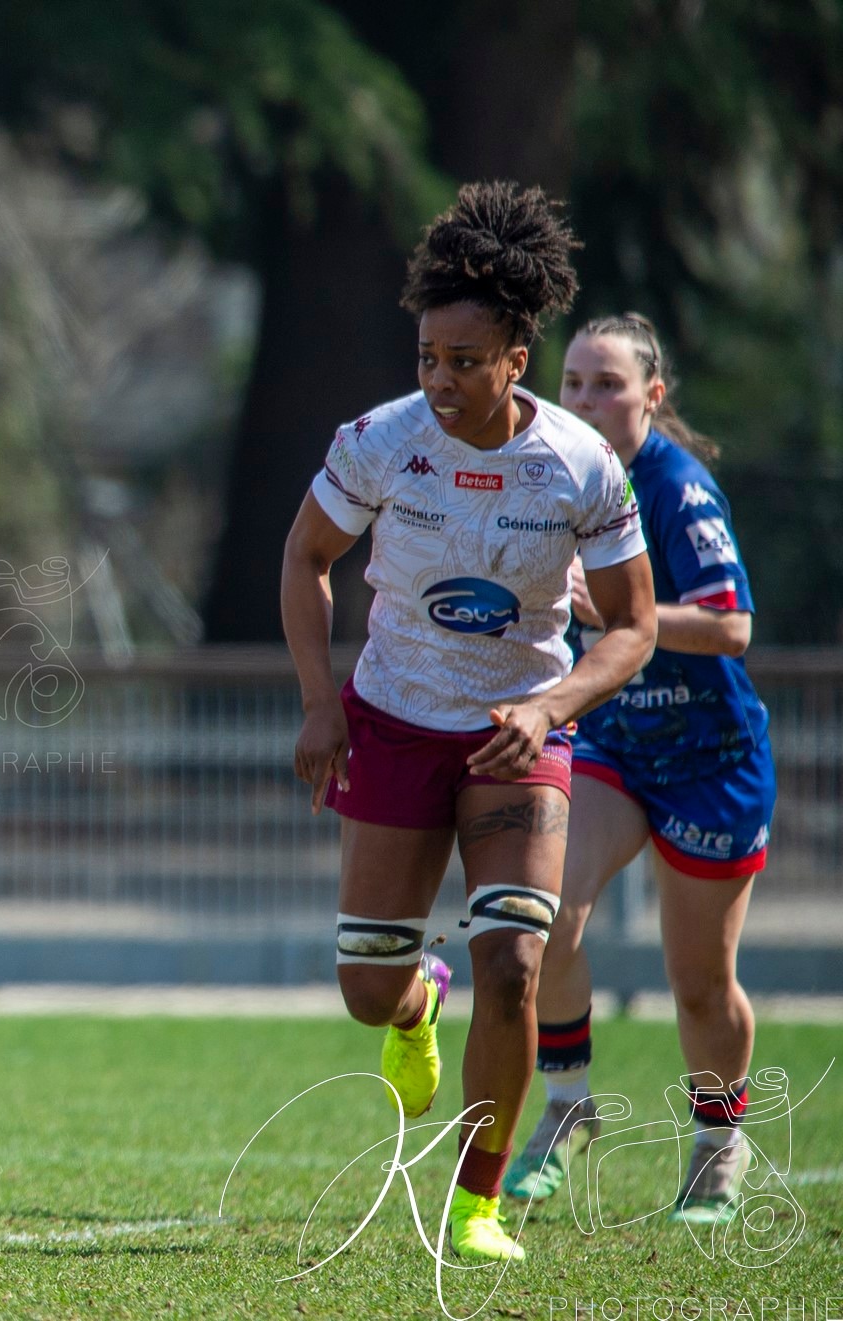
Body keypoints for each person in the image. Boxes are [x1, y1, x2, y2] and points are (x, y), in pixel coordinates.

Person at [280, 182, 657, 1263]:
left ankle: (475, 1203)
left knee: (514, 966)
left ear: (514, 362)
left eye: (463, 360)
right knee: (364, 988)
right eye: (426, 359)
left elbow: (628, 628)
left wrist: (549, 704)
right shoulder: (377, 443)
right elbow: (307, 559)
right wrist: (320, 701)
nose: (439, 380)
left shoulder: (581, 465)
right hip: (394, 721)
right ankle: (412, 1007)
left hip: (518, 739)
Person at [505, 315, 772, 1225]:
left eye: (606, 384)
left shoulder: (678, 488)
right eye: (572, 382)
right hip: (616, 742)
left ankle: (716, 1143)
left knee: (698, 982)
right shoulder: (557, 476)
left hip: (710, 761)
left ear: (652, 396)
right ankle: (568, 1101)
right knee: (550, 916)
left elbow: (733, 627)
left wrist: (633, 613)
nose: (584, 400)